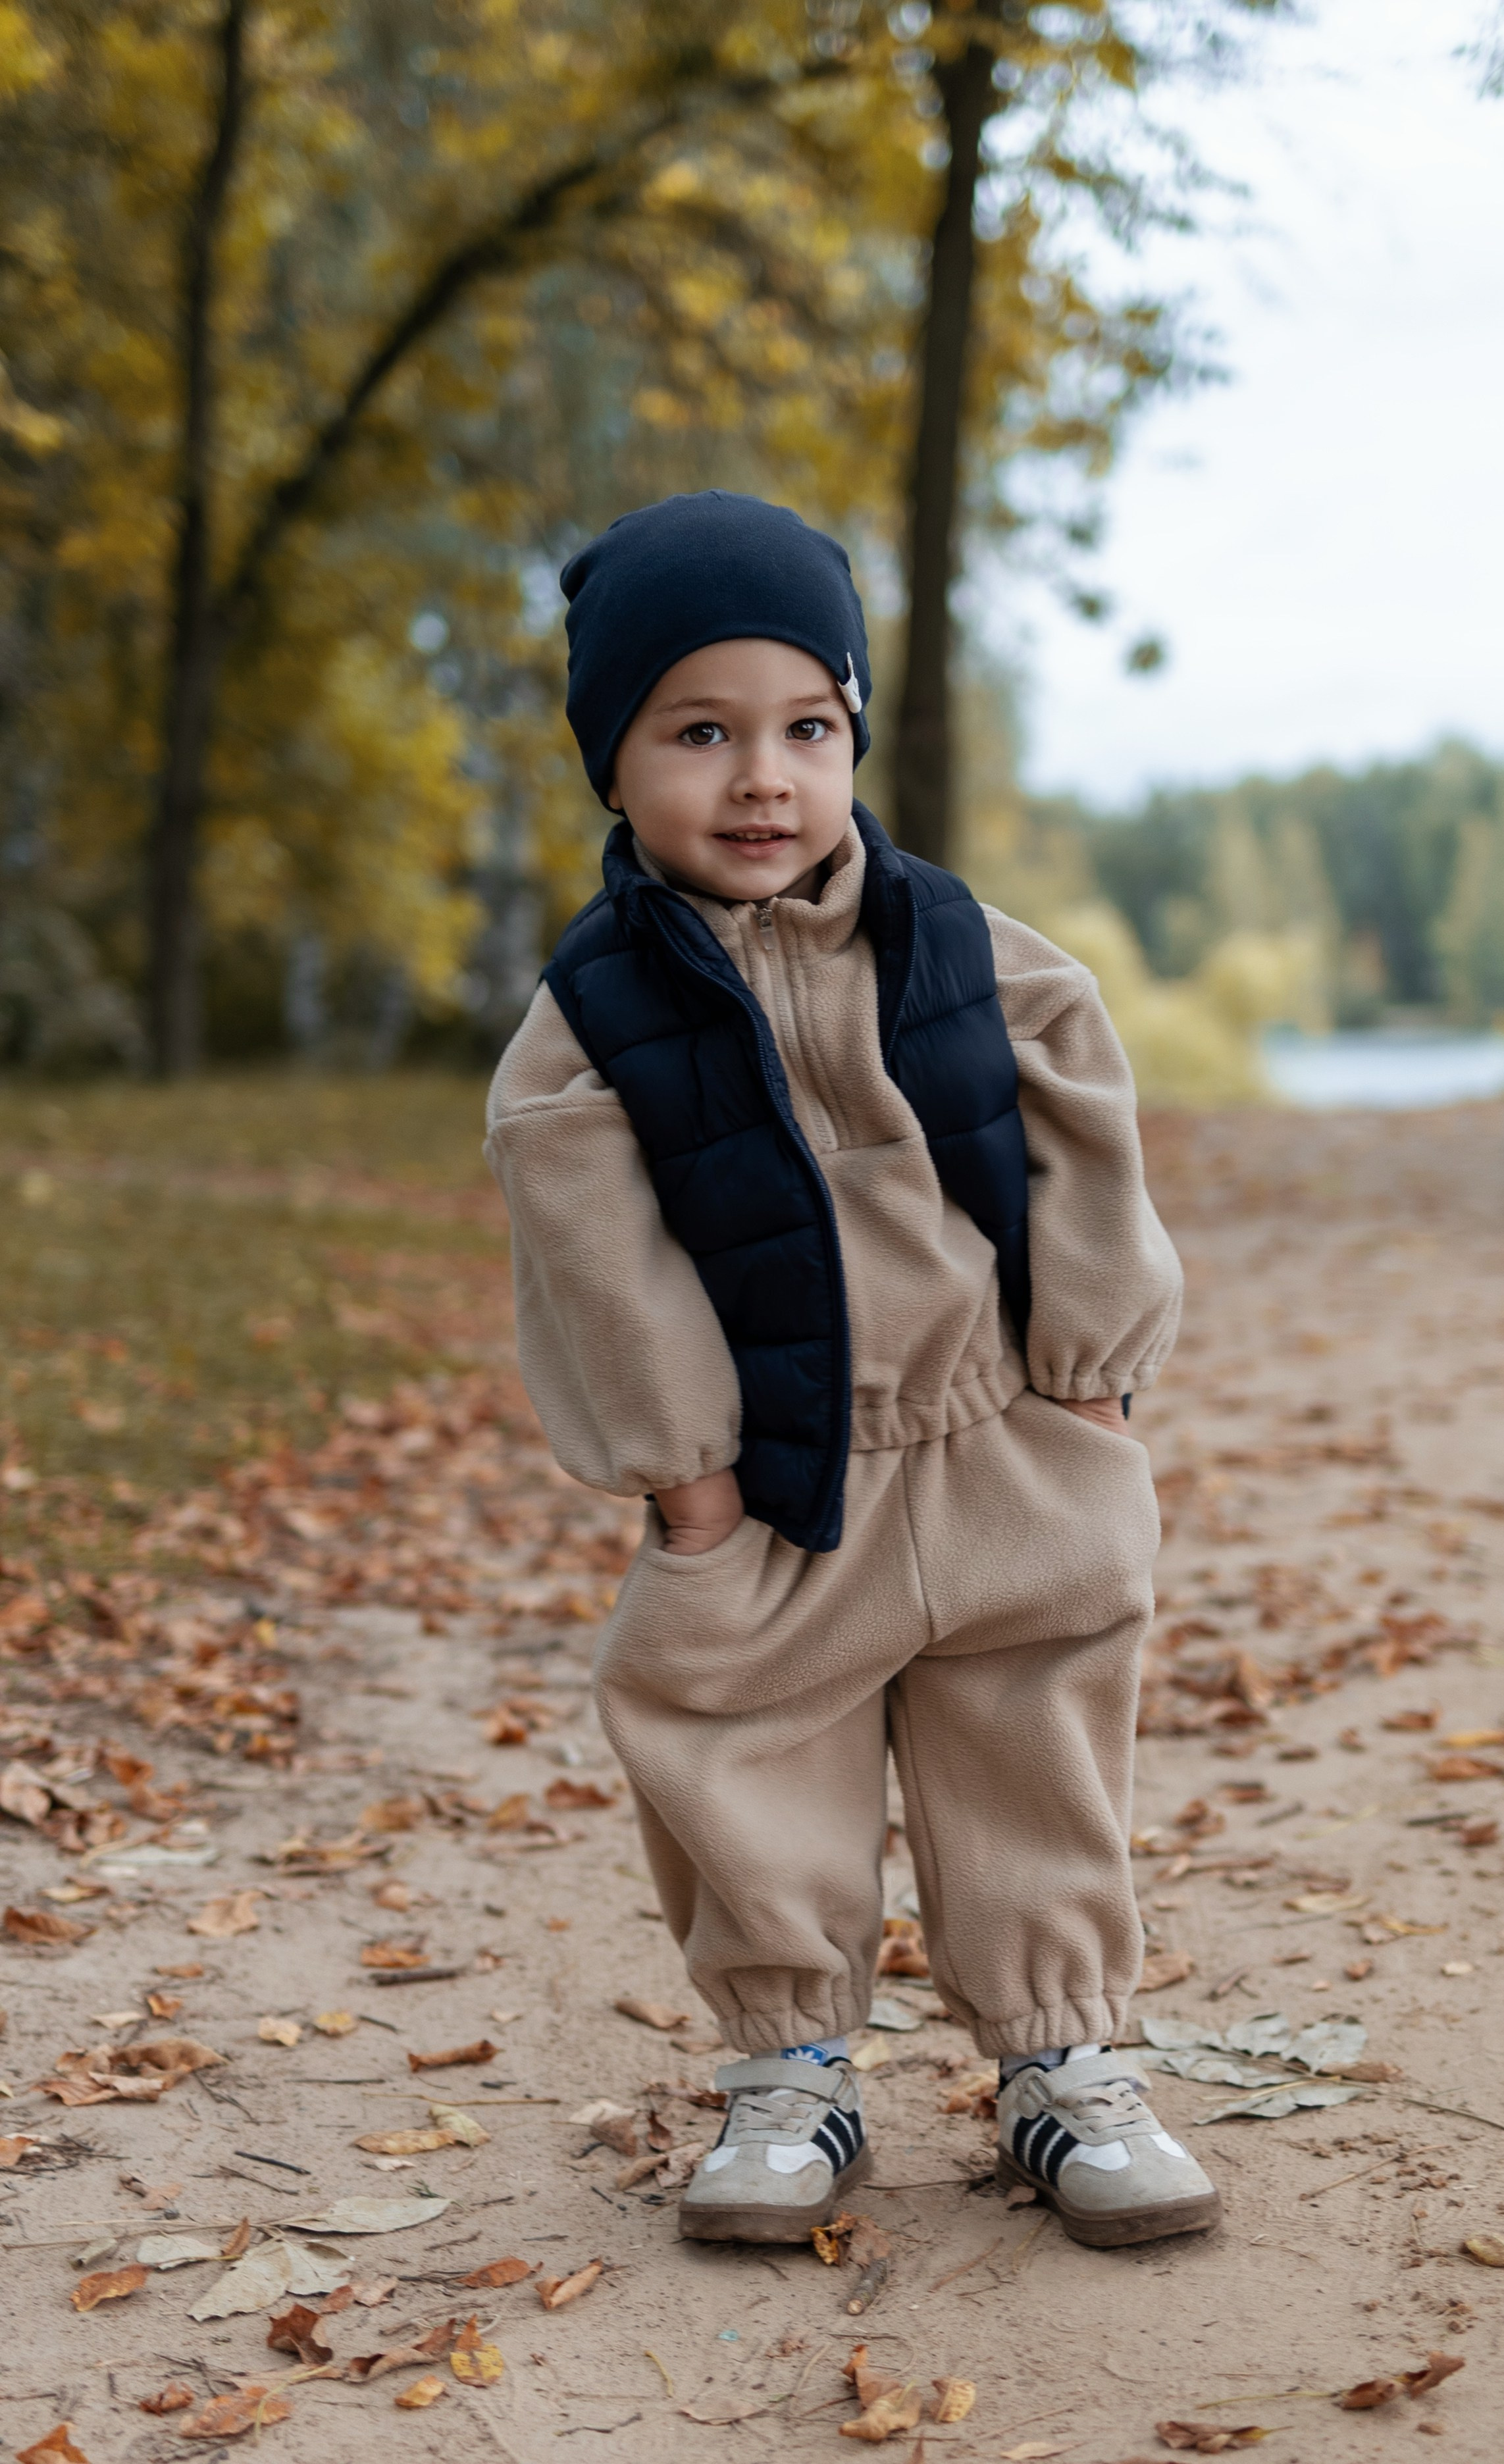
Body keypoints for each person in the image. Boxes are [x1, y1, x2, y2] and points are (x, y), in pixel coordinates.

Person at [485, 489, 1219, 2251]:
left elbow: (1081, 1130)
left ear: (854, 736)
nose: (762, 780)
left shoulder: (957, 947)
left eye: (806, 729)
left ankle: (1060, 2058)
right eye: (701, 733)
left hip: (997, 1440)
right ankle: (790, 2064)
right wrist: (687, 1477)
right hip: (771, 1478)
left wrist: (1091, 1375)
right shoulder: (595, 1014)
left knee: (1026, 1732)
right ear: (613, 765)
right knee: (740, 1742)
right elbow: (594, 1247)